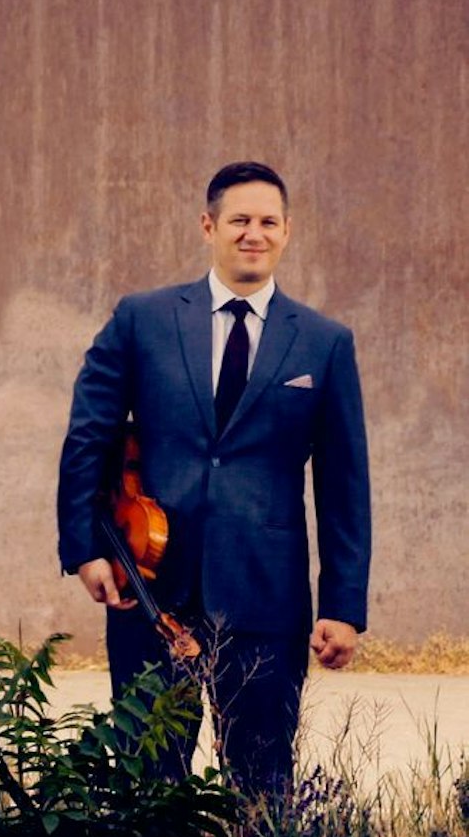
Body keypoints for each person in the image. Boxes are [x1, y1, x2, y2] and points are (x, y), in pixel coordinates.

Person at [56, 161, 371, 798]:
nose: (252, 233)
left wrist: (342, 606)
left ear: (286, 233)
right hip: (150, 587)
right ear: (209, 226)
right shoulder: (141, 319)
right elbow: (89, 436)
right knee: (148, 781)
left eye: (267, 222)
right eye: (239, 221)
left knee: (262, 784)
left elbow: (344, 483)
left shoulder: (324, 342)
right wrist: (83, 548)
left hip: (266, 596)